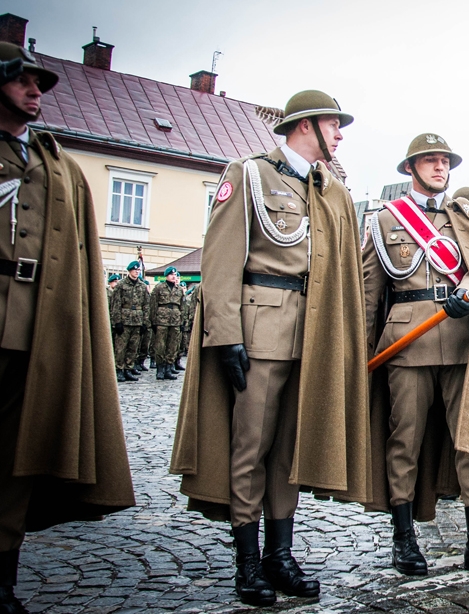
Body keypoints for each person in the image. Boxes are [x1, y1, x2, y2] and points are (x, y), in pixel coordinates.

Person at [170, 90, 372, 607]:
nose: (340, 134)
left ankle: (279, 556)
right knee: (251, 447)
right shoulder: (250, 174)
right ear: (306, 125)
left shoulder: (330, 190)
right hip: (261, 331)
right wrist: (225, 335)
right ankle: (247, 561)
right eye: (334, 124)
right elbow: (220, 259)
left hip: (314, 335)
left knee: (289, 450)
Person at [0, 41, 134, 614]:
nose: (36, 91)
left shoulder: (54, 162)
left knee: (18, 455)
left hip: (36, 327)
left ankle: (2, 576)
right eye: (22, 80)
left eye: (40, 83)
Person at [363, 133, 469, 581]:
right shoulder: (386, 220)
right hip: (406, 342)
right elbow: (368, 293)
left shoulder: (466, 217)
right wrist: (359, 354)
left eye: (445, 161)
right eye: (430, 161)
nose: (440, 168)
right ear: (410, 168)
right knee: (405, 441)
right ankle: (404, 538)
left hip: (460, 341)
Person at [111, 261, 149, 382]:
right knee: (121, 347)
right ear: (129, 271)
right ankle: (119, 369)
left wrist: (144, 322)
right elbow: (116, 304)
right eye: (135, 270)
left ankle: (128, 368)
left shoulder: (142, 286)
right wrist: (117, 322)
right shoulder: (121, 285)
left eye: (138, 270)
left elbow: (146, 305)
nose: (137, 272)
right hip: (124, 320)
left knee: (133, 347)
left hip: (137, 320)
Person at [149, 267, 184, 381]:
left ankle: (169, 368)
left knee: (172, 346)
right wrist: (153, 321)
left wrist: (182, 321)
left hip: (175, 320)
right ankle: (160, 369)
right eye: (171, 274)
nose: (174, 276)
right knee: (160, 345)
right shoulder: (159, 287)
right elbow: (153, 305)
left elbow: (182, 306)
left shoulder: (179, 289)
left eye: (175, 275)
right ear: (166, 276)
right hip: (161, 320)